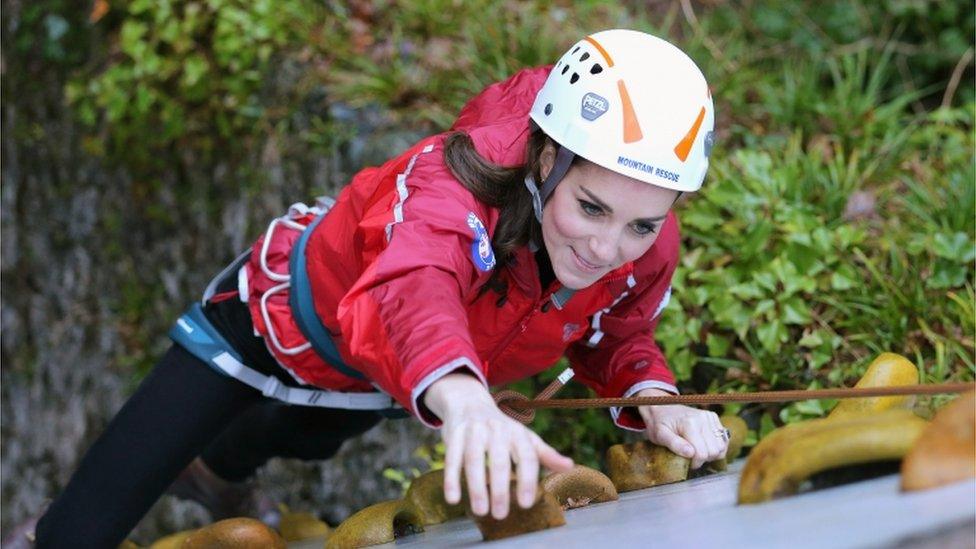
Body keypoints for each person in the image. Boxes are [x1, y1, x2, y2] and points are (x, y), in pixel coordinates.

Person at [27, 29, 725, 547]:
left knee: (296, 438)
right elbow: (411, 284)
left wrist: (654, 397)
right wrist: (464, 397)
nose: (607, 249)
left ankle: (214, 472)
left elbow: (616, 328)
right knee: (78, 531)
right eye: (592, 207)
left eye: (641, 224)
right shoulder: (448, 184)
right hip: (269, 330)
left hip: (379, 380)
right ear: (547, 158)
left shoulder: (645, 243)